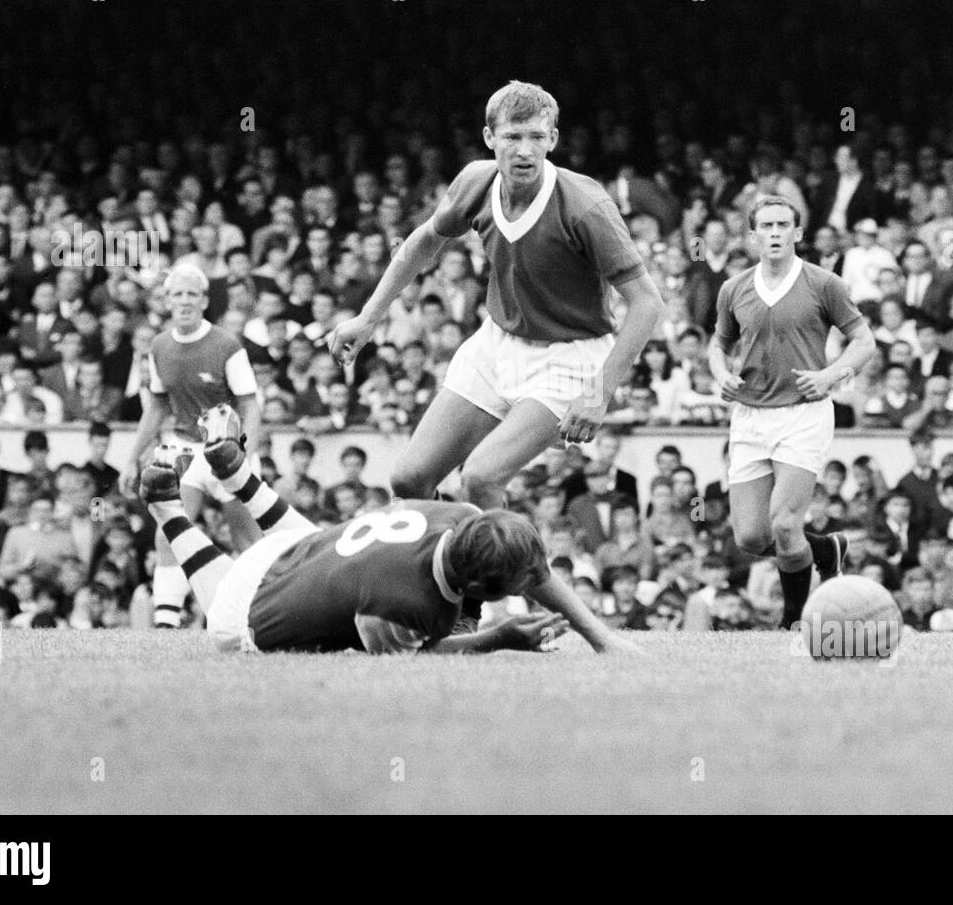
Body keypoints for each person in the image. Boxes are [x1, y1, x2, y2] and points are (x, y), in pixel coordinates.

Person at [331, 81, 663, 628]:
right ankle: (436, 595)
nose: (525, 149)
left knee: (481, 479)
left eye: (537, 136)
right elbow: (423, 242)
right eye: (513, 136)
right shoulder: (475, 182)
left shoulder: (586, 204)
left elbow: (647, 304)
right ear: (490, 138)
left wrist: (599, 391)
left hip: (570, 356)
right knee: (410, 481)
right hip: (497, 342)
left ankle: (481, 605)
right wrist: (368, 317)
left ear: (554, 139)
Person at [137, 404, 639, 655]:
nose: (530, 585)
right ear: (474, 589)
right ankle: (168, 510)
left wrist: (598, 635)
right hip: (251, 608)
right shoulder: (406, 606)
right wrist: (496, 636)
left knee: (319, 540)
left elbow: (529, 568)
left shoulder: (461, 516)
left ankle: (237, 475)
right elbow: (408, 654)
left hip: (304, 546)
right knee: (225, 622)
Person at [707, 194, 876, 626]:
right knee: (749, 537)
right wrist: (720, 373)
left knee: (784, 525)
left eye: (784, 225)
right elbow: (718, 344)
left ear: (798, 233)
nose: (776, 233)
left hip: (803, 412)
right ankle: (825, 548)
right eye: (767, 226)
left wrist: (831, 376)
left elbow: (864, 341)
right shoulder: (733, 288)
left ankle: (794, 620)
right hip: (748, 416)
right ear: (753, 235)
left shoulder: (824, 283)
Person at [117, 264, 263, 627]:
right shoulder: (159, 346)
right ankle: (166, 624)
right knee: (170, 533)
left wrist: (246, 452)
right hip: (185, 449)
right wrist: (131, 459)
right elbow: (157, 405)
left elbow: (249, 404)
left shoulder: (227, 345)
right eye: (177, 294)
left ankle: (259, 620)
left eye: (191, 294)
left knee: (248, 542)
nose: (184, 301)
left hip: (227, 450)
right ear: (166, 301)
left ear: (203, 301)